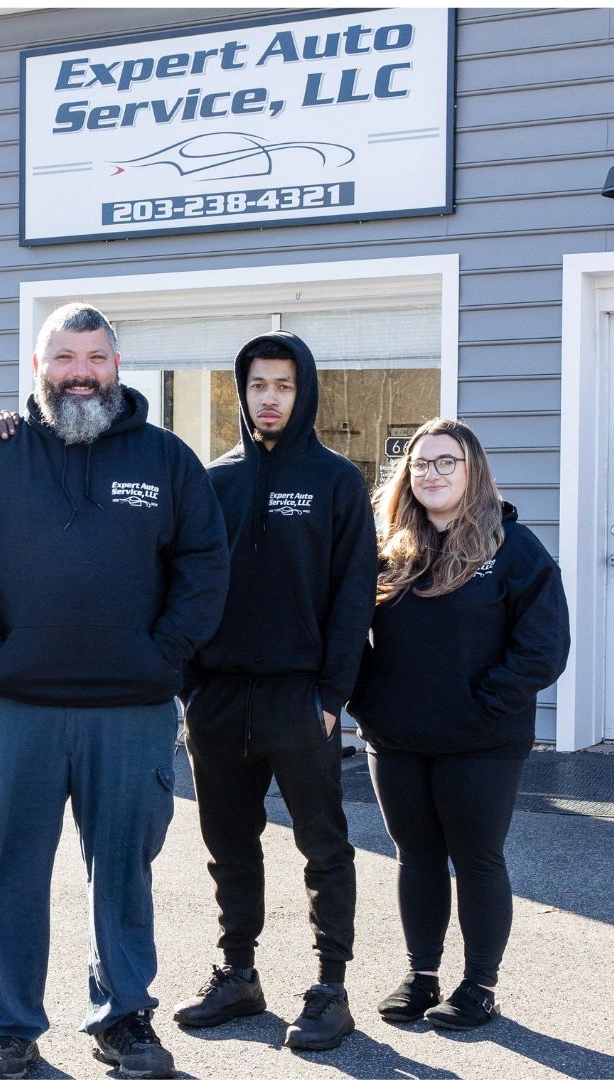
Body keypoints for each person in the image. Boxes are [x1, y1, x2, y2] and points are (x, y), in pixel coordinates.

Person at [0, 302, 230, 1080]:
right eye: (64, 358)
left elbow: (205, 564)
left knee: (123, 871)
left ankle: (122, 1019)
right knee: (8, 870)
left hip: (129, 708)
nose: (80, 373)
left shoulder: (167, 460)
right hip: (13, 704)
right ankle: (8, 1026)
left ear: (117, 365)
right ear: (39, 367)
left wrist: (165, 655)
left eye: (94, 358)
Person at [167, 331, 375, 1052]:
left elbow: (354, 595)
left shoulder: (336, 482)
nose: (270, 398)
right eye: (258, 385)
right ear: (242, 391)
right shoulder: (213, 481)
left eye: (283, 385)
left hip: (300, 699)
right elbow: (185, 584)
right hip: (219, 699)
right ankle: (238, 973)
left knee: (324, 847)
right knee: (229, 846)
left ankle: (330, 988)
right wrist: (192, 687)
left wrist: (331, 696)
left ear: (303, 391)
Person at [348, 417, 569, 1032]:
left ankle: (479, 986)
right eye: (421, 463)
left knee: (476, 858)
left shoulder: (512, 548)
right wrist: (366, 701)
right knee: (415, 856)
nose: (432, 473)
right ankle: (421, 975)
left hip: (482, 740)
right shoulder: (387, 548)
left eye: (447, 462)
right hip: (397, 738)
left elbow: (543, 647)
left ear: (474, 472)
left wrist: (483, 705)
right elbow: (348, 633)